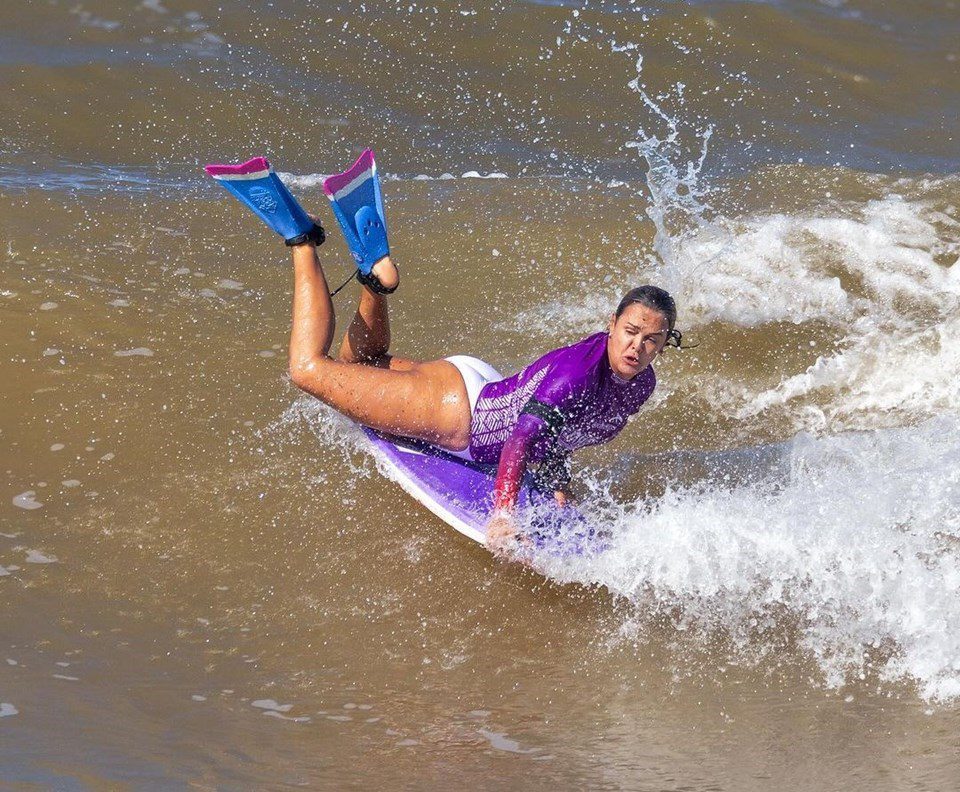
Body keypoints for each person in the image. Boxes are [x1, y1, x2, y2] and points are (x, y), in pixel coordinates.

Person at [205, 151, 682, 554]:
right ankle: (301, 239)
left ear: (663, 346)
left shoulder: (640, 385)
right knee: (309, 369)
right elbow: (521, 438)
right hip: (461, 415)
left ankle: (375, 277)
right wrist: (502, 514)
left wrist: (557, 488)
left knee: (357, 368)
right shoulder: (575, 375)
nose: (637, 347)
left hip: (481, 387)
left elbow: (562, 431)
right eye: (630, 331)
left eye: (651, 340)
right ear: (611, 326)